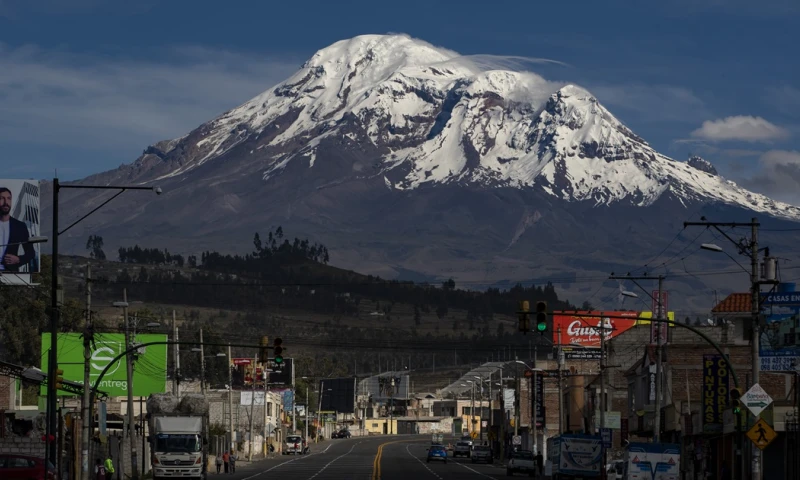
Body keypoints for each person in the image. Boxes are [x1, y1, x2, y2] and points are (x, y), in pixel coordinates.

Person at [0, 187, 35, 272]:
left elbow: (31, 253)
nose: (6, 202)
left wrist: (18, 259)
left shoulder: (20, 226)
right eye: (1, 198)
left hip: (12, 274)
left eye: (9, 198)